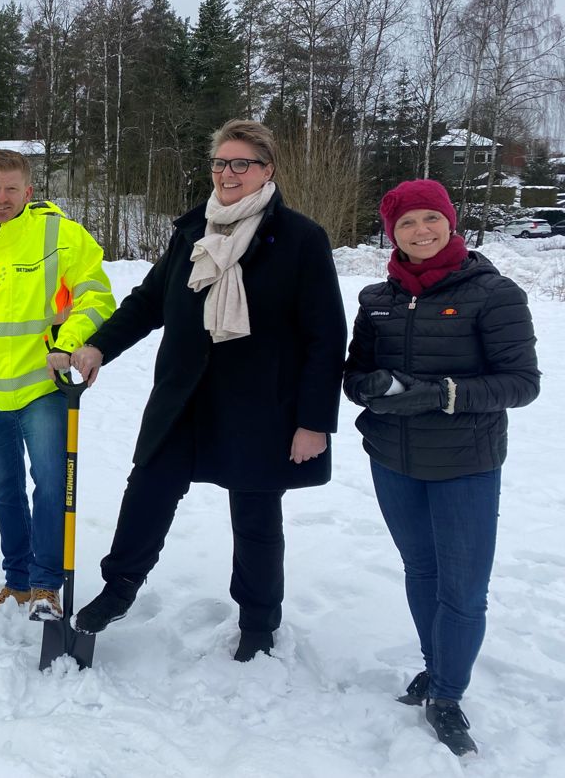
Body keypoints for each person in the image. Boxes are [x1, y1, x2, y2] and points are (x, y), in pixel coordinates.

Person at [69, 119, 346, 662]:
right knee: (148, 487)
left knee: (255, 513)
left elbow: (325, 337)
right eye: (220, 163)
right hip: (185, 395)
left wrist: (314, 421)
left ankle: (259, 623)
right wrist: (99, 346)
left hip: (261, 403)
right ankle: (120, 586)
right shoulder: (193, 231)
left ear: (267, 170)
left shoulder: (300, 239)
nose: (227, 173)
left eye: (241, 164)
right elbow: (150, 301)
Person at [343, 179, 538, 756]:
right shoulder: (376, 298)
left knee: (463, 588)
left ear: (451, 222)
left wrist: (439, 393)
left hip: (465, 464)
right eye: (406, 223)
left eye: (431, 219)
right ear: (392, 233)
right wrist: (371, 386)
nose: (421, 231)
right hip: (393, 459)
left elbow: (521, 384)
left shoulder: (494, 293)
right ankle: (436, 666)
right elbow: (354, 376)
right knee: (420, 571)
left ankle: (448, 695)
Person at [0, 149, 115, 620]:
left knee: (51, 486)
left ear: (28, 192)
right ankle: (16, 579)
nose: (2, 198)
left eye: (12, 189)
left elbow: (97, 295)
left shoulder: (60, 234)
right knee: (4, 488)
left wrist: (68, 344)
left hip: (42, 387)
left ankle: (46, 585)